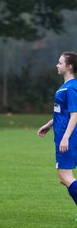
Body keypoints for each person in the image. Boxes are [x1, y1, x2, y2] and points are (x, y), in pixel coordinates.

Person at [37, 51, 77, 207]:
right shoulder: (66, 87)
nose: (57, 65)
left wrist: (66, 137)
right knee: (64, 177)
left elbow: (74, 115)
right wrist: (49, 124)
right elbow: (64, 113)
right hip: (64, 134)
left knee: (65, 177)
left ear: (69, 66)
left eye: (60, 63)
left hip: (69, 137)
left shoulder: (71, 88)